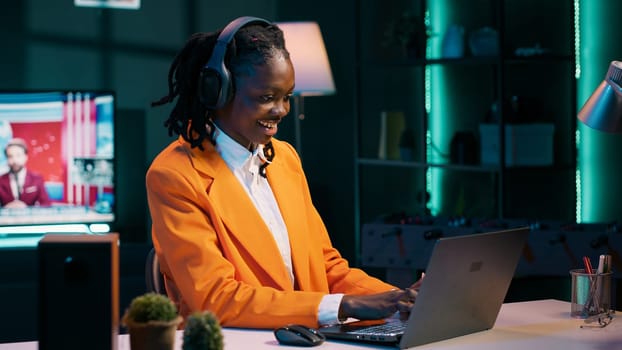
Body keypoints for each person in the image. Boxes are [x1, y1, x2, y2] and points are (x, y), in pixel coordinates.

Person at [146, 16, 422, 329]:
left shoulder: (285, 158)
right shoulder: (174, 175)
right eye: (266, 98)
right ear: (217, 91)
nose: (281, 111)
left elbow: (326, 267)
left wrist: (400, 298)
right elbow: (215, 298)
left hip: (307, 337)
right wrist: (347, 305)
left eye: (286, 96)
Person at [0, 137, 50, 208]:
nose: (14, 160)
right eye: (10, 156)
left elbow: (46, 205)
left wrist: (27, 208)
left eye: (18, 155)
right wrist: (6, 208)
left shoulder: (37, 179)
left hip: (29, 218)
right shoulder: (1, 180)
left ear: (25, 157)